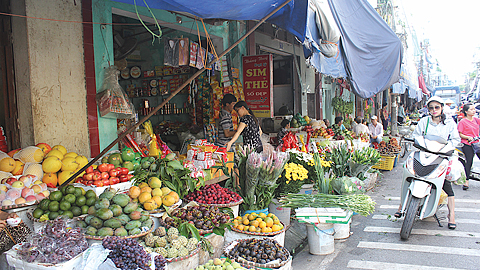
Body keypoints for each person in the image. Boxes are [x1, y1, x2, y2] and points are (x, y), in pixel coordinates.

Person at [394, 96, 459, 229]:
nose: (434, 110)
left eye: (437, 107)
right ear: (428, 109)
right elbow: (416, 135)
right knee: (410, 175)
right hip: (424, 154)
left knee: (447, 185)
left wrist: (447, 147)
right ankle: (402, 205)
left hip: (441, 156)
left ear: (442, 108)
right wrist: (418, 142)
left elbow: (455, 139)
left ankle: (451, 214)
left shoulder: (450, 123)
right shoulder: (425, 121)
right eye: (431, 108)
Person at [457, 103, 480, 190]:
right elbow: (460, 134)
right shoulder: (462, 122)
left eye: (474, 109)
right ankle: (466, 180)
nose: (473, 111)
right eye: (471, 109)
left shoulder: (476, 120)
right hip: (467, 144)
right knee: (469, 162)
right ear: (466, 111)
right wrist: (468, 137)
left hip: (477, 143)